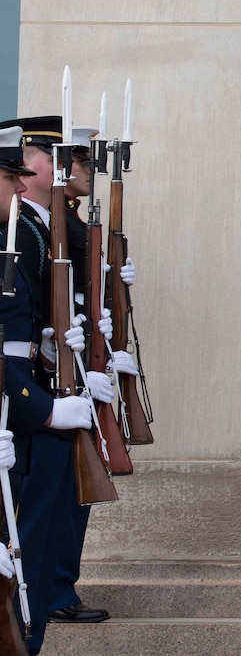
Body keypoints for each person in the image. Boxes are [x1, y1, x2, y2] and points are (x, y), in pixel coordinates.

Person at [2, 117, 122, 627]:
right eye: (53, 160)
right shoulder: (21, 227)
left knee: (60, 497)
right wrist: (50, 367)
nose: (69, 169)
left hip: (46, 377)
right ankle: (34, 599)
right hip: (30, 389)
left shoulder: (37, 222)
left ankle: (48, 594)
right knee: (37, 506)